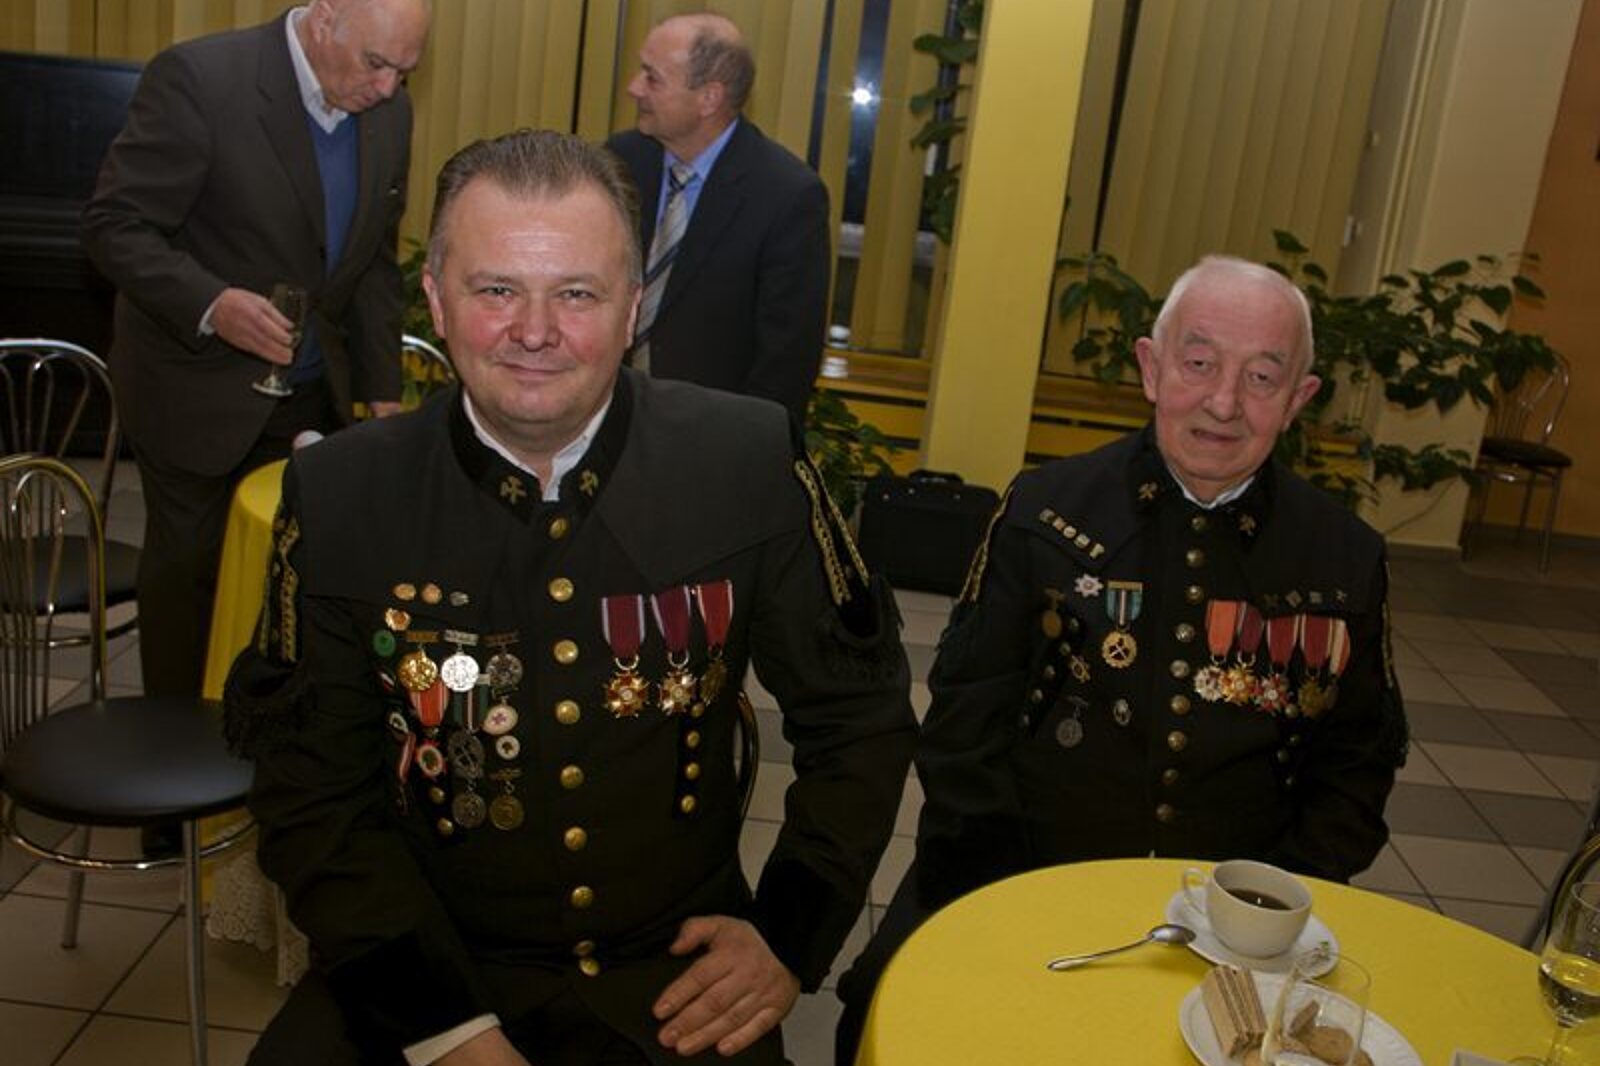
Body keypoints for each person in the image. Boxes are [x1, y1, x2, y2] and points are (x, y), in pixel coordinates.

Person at [228, 129, 916, 1066]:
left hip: (673, 977)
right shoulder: (344, 495)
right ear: (437, 299)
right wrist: (445, 1029)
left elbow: (860, 718)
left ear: (633, 308)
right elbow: (310, 791)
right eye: (496, 289)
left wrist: (789, 933)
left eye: (577, 294)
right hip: (422, 962)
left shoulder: (746, 461)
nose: (535, 331)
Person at [834, 255, 1409, 1063]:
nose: (1223, 402)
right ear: (1151, 367)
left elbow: (1359, 763)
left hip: (1245, 922)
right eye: (1199, 363)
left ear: (1298, 399)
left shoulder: (1344, 557)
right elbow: (964, 726)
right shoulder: (1043, 512)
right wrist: (1006, 895)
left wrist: (1269, 909)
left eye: (1261, 377)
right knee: (881, 1008)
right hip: (1018, 873)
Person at [82, 0, 431, 700]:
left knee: (295, 589)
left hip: (309, 393)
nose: (388, 88)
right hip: (195, 392)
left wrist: (381, 393)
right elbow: (115, 227)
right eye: (376, 63)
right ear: (325, 17)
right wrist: (213, 305)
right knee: (192, 583)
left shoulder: (389, 112)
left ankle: (270, 742)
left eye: (404, 70)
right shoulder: (202, 80)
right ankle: (173, 753)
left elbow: (371, 263)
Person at [606, 13, 830, 424]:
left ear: (709, 98)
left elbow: (787, 358)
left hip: (708, 430)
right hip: (605, 415)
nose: (634, 88)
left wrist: (743, 447)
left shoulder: (787, 195)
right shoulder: (620, 160)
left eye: (652, 77)